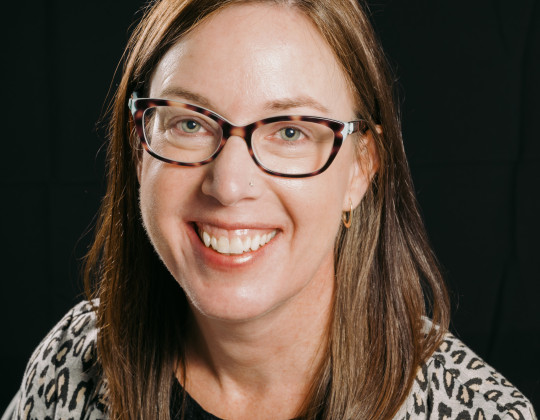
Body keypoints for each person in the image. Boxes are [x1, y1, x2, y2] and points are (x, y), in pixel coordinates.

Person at [2, 0, 536, 419]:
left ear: (360, 169)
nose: (229, 185)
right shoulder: (75, 359)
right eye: (189, 123)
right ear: (140, 147)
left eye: (290, 131)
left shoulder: (479, 411)